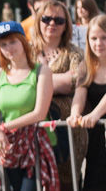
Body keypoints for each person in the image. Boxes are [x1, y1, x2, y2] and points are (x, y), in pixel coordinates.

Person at [0, 21, 56, 191]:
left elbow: (39, 112)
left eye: (13, 42)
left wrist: (4, 128)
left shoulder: (42, 71)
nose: (9, 47)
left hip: (36, 143)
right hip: (9, 146)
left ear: (23, 42)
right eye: (3, 44)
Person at [31, 0, 85, 187]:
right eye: (46, 19)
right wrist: (57, 81)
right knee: (37, 180)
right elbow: (17, 83)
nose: (52, 23)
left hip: (68, 129)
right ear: (38, 21)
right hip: (33, 128)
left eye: (59, 20)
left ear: (66, 25)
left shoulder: (74, 53)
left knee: (67, 182)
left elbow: (76, 81)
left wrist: (39, 82)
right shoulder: (27, 52)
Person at [67, 14, 106, 191]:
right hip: (97, 138)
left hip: (97, 122)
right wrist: (75, 114)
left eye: (104, 38)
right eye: (94, 38)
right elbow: (79, 95)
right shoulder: (86, 66)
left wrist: (95, 114)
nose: (99, 43)